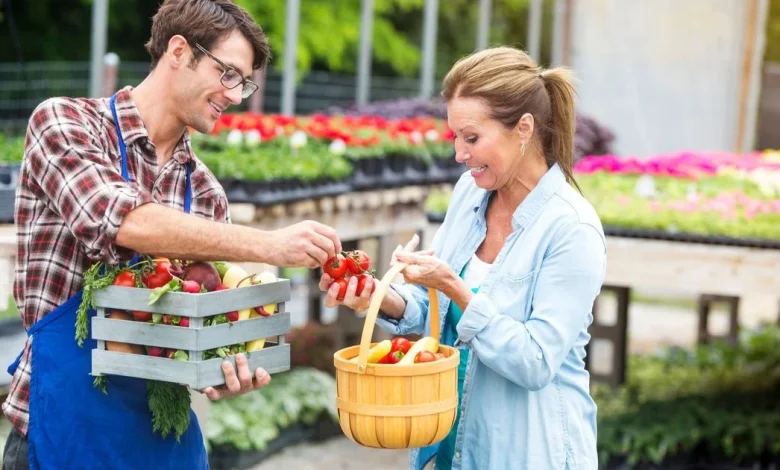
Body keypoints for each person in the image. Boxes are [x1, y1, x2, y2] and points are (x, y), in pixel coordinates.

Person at [2, 1, 342, 469]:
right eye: (229, 75)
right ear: (179, 51)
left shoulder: (203, 191)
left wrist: (222, 366)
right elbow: (125, 221)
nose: (236, 95)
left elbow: (194, 333)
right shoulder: (65, 124)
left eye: (244, 83)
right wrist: (269, 244)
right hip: (60, 426)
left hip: (161, 434)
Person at [321, 46, 606, 470]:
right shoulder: (470, 193)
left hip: (528, 452)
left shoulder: (571, 229)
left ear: (523, 128)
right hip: (451, 443)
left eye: (472, 138)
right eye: (455, 136)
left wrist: (454, 285)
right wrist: (380, 295)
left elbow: (535, 362)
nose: (459, 153)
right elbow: (439, 313)